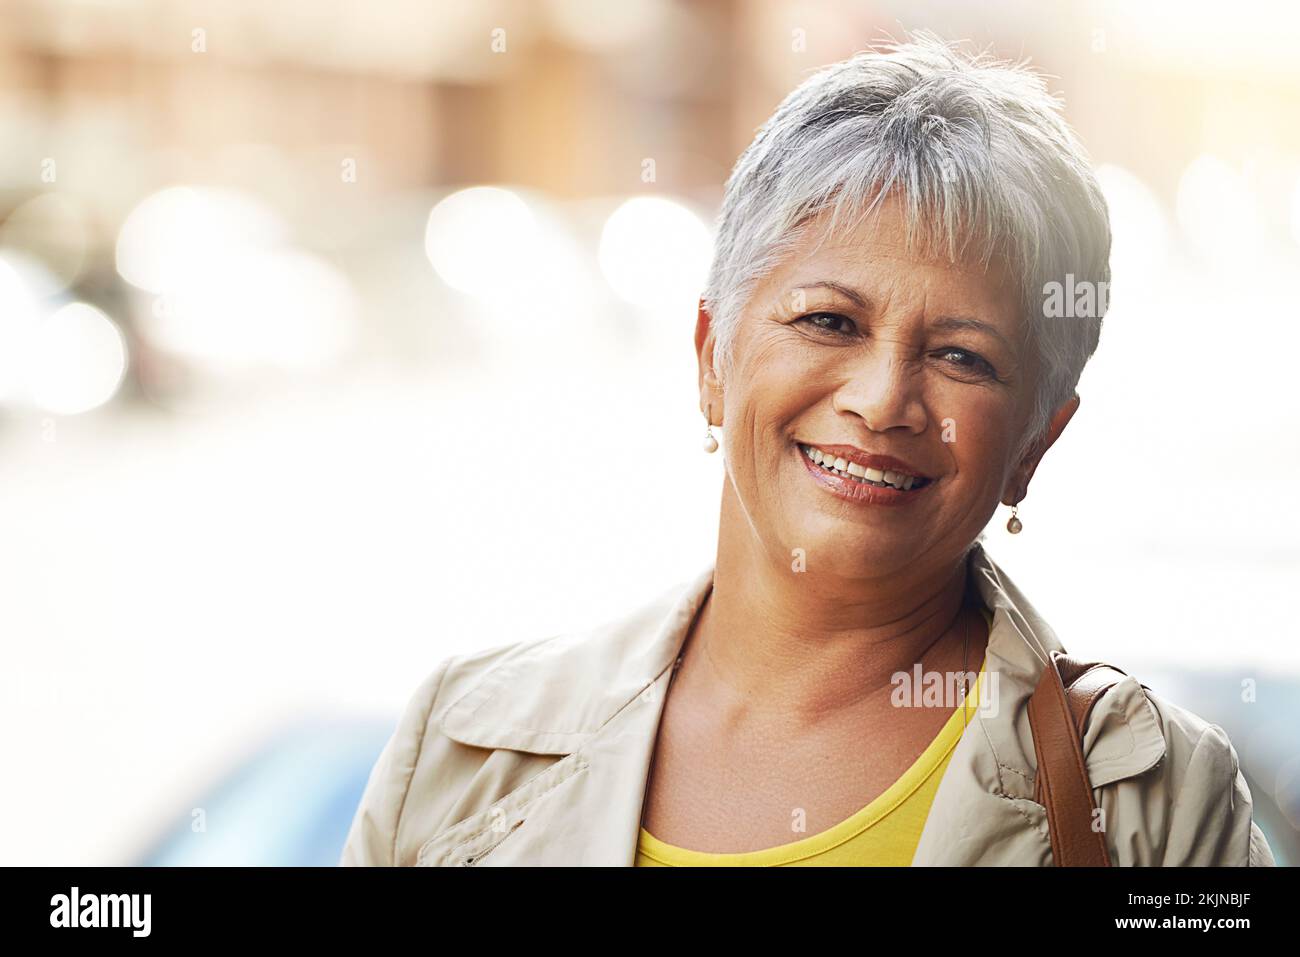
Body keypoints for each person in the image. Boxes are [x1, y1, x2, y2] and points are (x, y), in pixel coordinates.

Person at [340, 32, 1275, 867]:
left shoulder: (1153, 804)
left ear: (1036, 439)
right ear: (712, 356)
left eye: (962, 355)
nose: (882, 400)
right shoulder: (463, 748)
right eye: (830, 320)